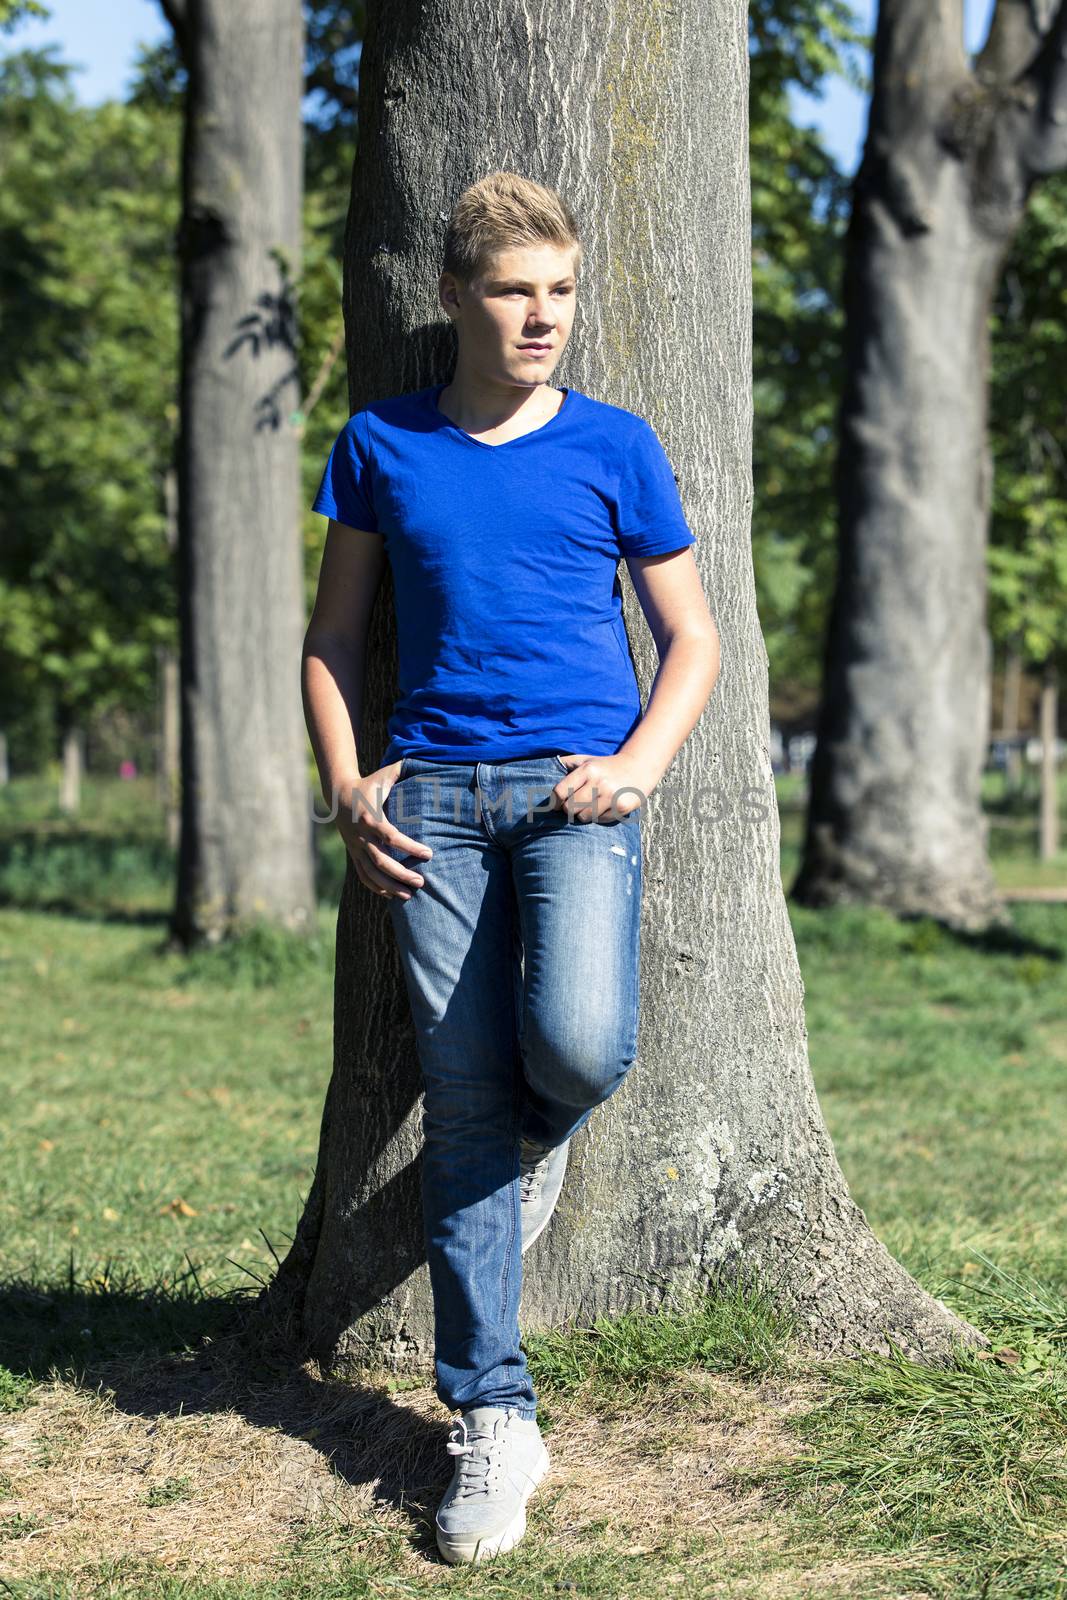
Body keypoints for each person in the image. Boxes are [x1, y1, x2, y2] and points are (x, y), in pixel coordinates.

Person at [303, 171, 720, 1565]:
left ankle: (522, 1152)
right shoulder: (382, 445)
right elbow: (331, 640)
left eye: (559, 289)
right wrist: (349, 789)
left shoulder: (616, 446)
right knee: (462, 1099)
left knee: (583, 1045)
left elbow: (693, 641)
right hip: (431, 808)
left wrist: (641, 768)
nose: (540, 315)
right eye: (510, 290)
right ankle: (493, 1418)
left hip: (577, 797)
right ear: (452, 298)